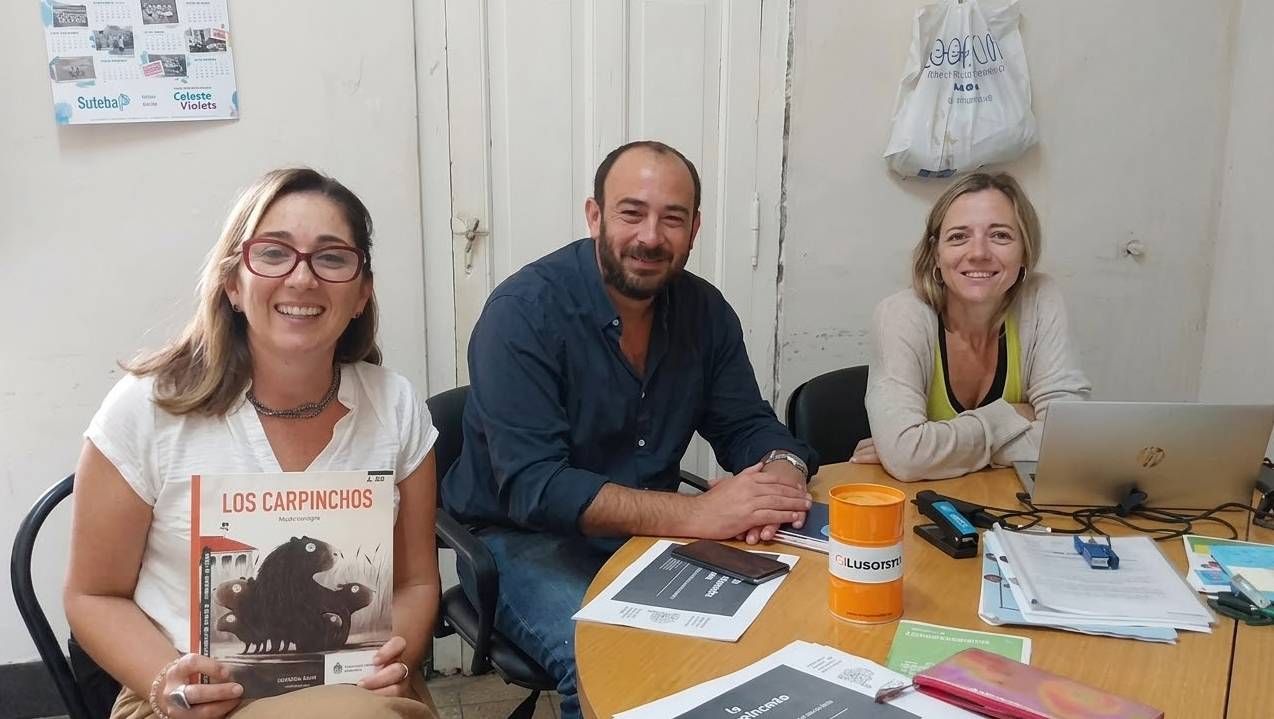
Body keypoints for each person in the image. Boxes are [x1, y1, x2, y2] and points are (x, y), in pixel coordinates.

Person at [441, 140, 818, 719]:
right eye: (631, 213)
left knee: (777, 623)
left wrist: (781, 473)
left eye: (672, 218)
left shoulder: (704, 311)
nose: (650, 237)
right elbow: (536, 487)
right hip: (520, 537)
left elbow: (745, 422)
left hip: (644, 532)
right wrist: (699, 514)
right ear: (595, 216)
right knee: (604, 659)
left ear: (694, 230)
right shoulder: (522, 313)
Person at [63, 169, 442, 719]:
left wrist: (388, 664)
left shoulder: (396, 405)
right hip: (195, 701)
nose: (302, 278)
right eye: (273, 253)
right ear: (233, 284)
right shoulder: (147, 407)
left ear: (362, 292)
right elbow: (92, 595)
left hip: (363, 695)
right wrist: (167, 682)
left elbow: (416, 582)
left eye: (332, 258)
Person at [854, 172, 1090, 480]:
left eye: (1000, 236)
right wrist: (1013, 415)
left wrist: (934, 449)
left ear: (1025, 250)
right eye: (958, 237)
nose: (978, 253)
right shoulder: (901, 314)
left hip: (1010, 503)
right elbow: (907, 456)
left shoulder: (1040, 298)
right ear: (936, 254)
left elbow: (1070, 440)